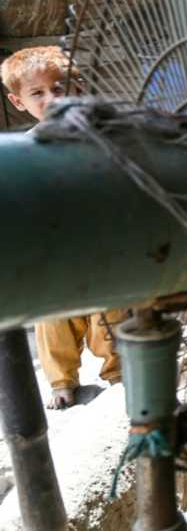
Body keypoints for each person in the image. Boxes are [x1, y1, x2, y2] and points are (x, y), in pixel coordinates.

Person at [2, 45, 126, 409]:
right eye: (37, 93)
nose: (51, 99)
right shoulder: (25, 150)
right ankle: (62, 380)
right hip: (55, 250)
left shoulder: (100, 138)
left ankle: (117, 372)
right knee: (54, 316)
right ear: (18, 101)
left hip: (102, 245)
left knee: (111, 311)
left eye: (59, 88)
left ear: (79, 87)